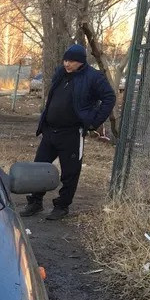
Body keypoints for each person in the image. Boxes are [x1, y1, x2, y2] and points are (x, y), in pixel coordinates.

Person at [21, 44, 116, 220]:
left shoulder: (93, 77)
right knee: (39, 168)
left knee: (70, 172)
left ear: (80, 61)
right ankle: (35, 202)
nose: (67, 63)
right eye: (65, 60)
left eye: (71, 61)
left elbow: (109, 98)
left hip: (72, 133)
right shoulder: (61, 74)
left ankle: (62, 206)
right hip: (50, 131)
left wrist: (94, 122)